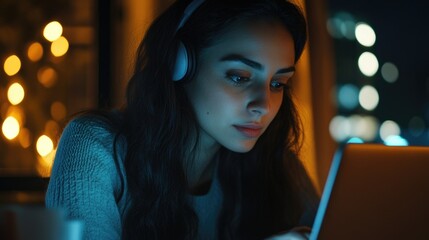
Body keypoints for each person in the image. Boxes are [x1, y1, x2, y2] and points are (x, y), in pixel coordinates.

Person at [45, 0, 320, 239]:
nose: (264, 105)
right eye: (239, 77)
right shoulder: (94, 147)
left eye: (278, 83)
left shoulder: (275, 163)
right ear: (179, 65)